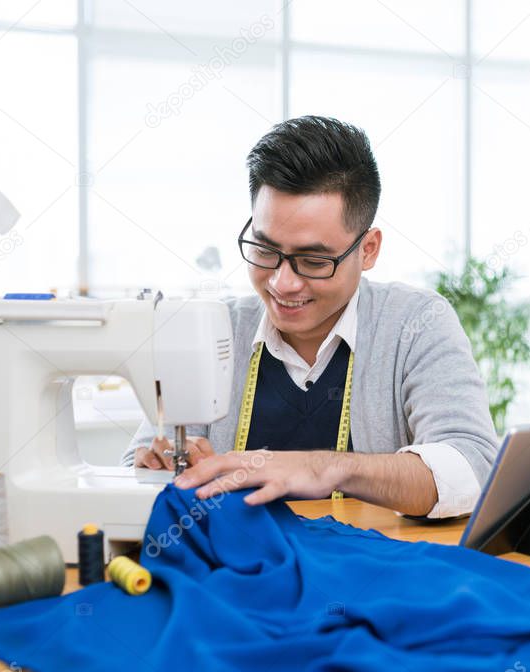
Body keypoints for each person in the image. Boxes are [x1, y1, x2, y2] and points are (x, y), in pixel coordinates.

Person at [122, 115, 498, 518]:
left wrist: (322, 468)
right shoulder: (214, 328)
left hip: (367, 571)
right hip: (242, 571)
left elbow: (472, 465)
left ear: (368, 249)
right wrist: (157, 471)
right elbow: (136, 468)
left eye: (314, 260)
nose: (282, 283)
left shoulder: (415, 324)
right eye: (265, 251)